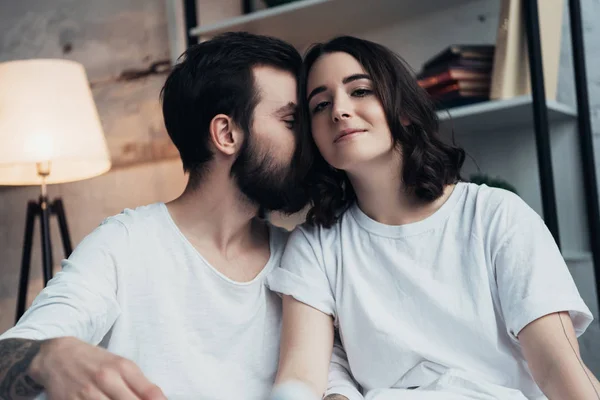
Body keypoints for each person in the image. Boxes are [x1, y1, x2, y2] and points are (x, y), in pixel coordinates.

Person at [0, 32, 360, 400]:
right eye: (290, 121)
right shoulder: (125, 244)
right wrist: (48, 356)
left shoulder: (302, 257)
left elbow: (333, 373)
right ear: (226, 133)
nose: (311, 139)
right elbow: (8, 355)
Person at [267, 35, 600, 400]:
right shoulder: (316, 246)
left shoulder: (495, 216)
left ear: (405, 110)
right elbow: (301, 378)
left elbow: (560, 371)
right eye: (320, 104)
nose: (339, 111)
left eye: (360, 91)